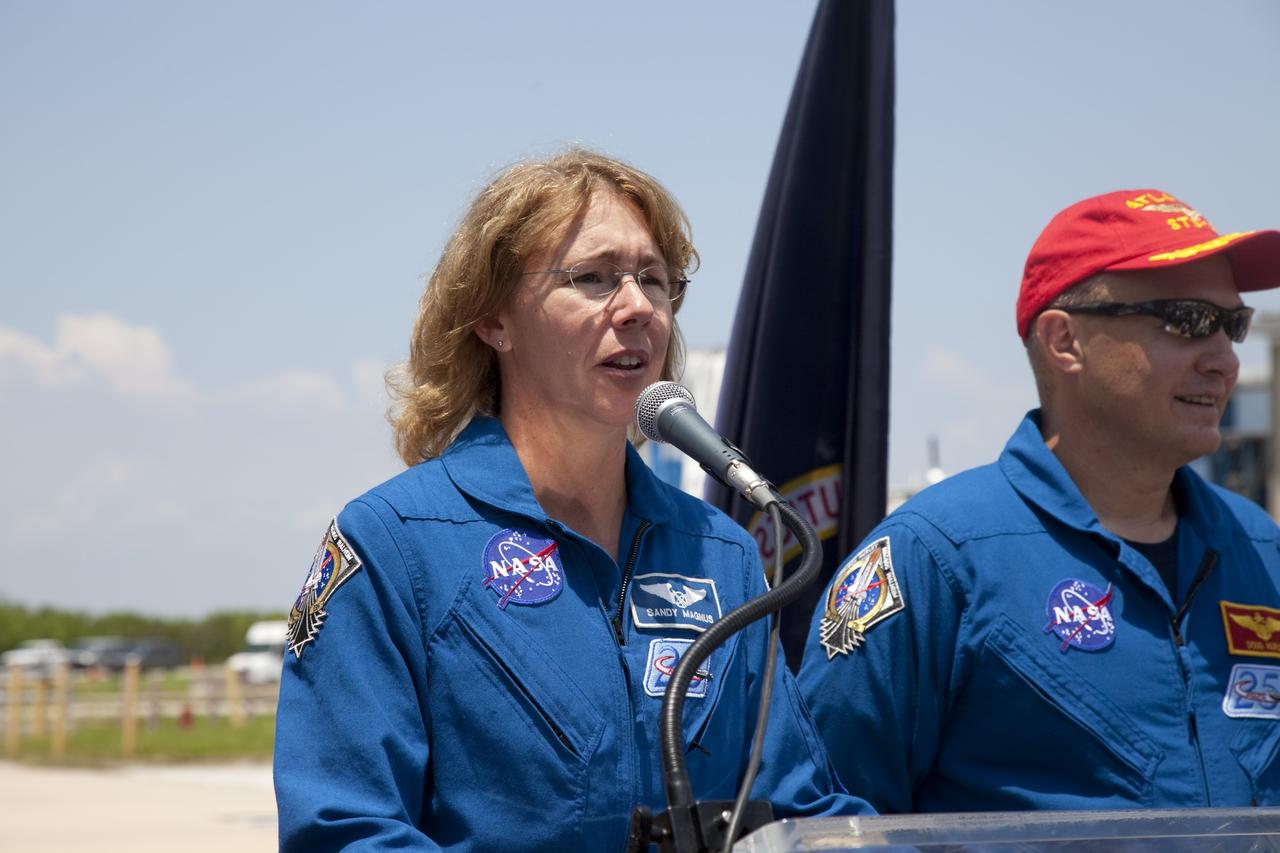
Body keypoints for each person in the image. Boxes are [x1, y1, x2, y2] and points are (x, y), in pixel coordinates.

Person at [273, 148, 870, 850]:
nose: (639, 306)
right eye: (593, 278)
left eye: (655, 279)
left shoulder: (724, 557)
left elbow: (798, 811)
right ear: (494, 320)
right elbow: (343, 830)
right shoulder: (393, 545)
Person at [798, 188, 1280, 812]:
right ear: (1064, 342)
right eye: (1187, 320)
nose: (1224, 360)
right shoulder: (936, 559)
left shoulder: (1261, 550)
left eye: (1233, 325)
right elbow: (823, 818)